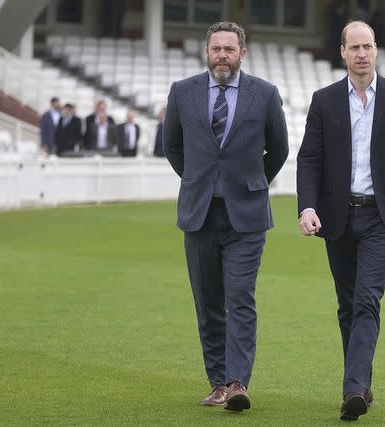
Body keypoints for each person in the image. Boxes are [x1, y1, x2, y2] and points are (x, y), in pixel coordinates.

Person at [296, 21, 385, 421]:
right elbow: (309, 159)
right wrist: (307, 207)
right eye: (354, 47)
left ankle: (351, 390)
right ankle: (362, 384)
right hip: (336, 217)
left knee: (368, 298)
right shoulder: (324, 100)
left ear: (376, 50)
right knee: (348, 305)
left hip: (382, 217)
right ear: (342, 52)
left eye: (367, 46)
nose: (362, 54)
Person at [163, 21, 288, 412]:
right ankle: (216, 382)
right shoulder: (182, 93)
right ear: (207, 51)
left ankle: (237, 383)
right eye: (216, 48)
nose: (222, 55)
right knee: (208, 303)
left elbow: (279, 150)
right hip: (199, 215)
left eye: (229, 49)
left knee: (240, 297)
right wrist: (203, 181)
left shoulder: (264, 95)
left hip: (246, 218)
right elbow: (172, 147)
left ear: (242, 54)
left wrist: (249, 184)